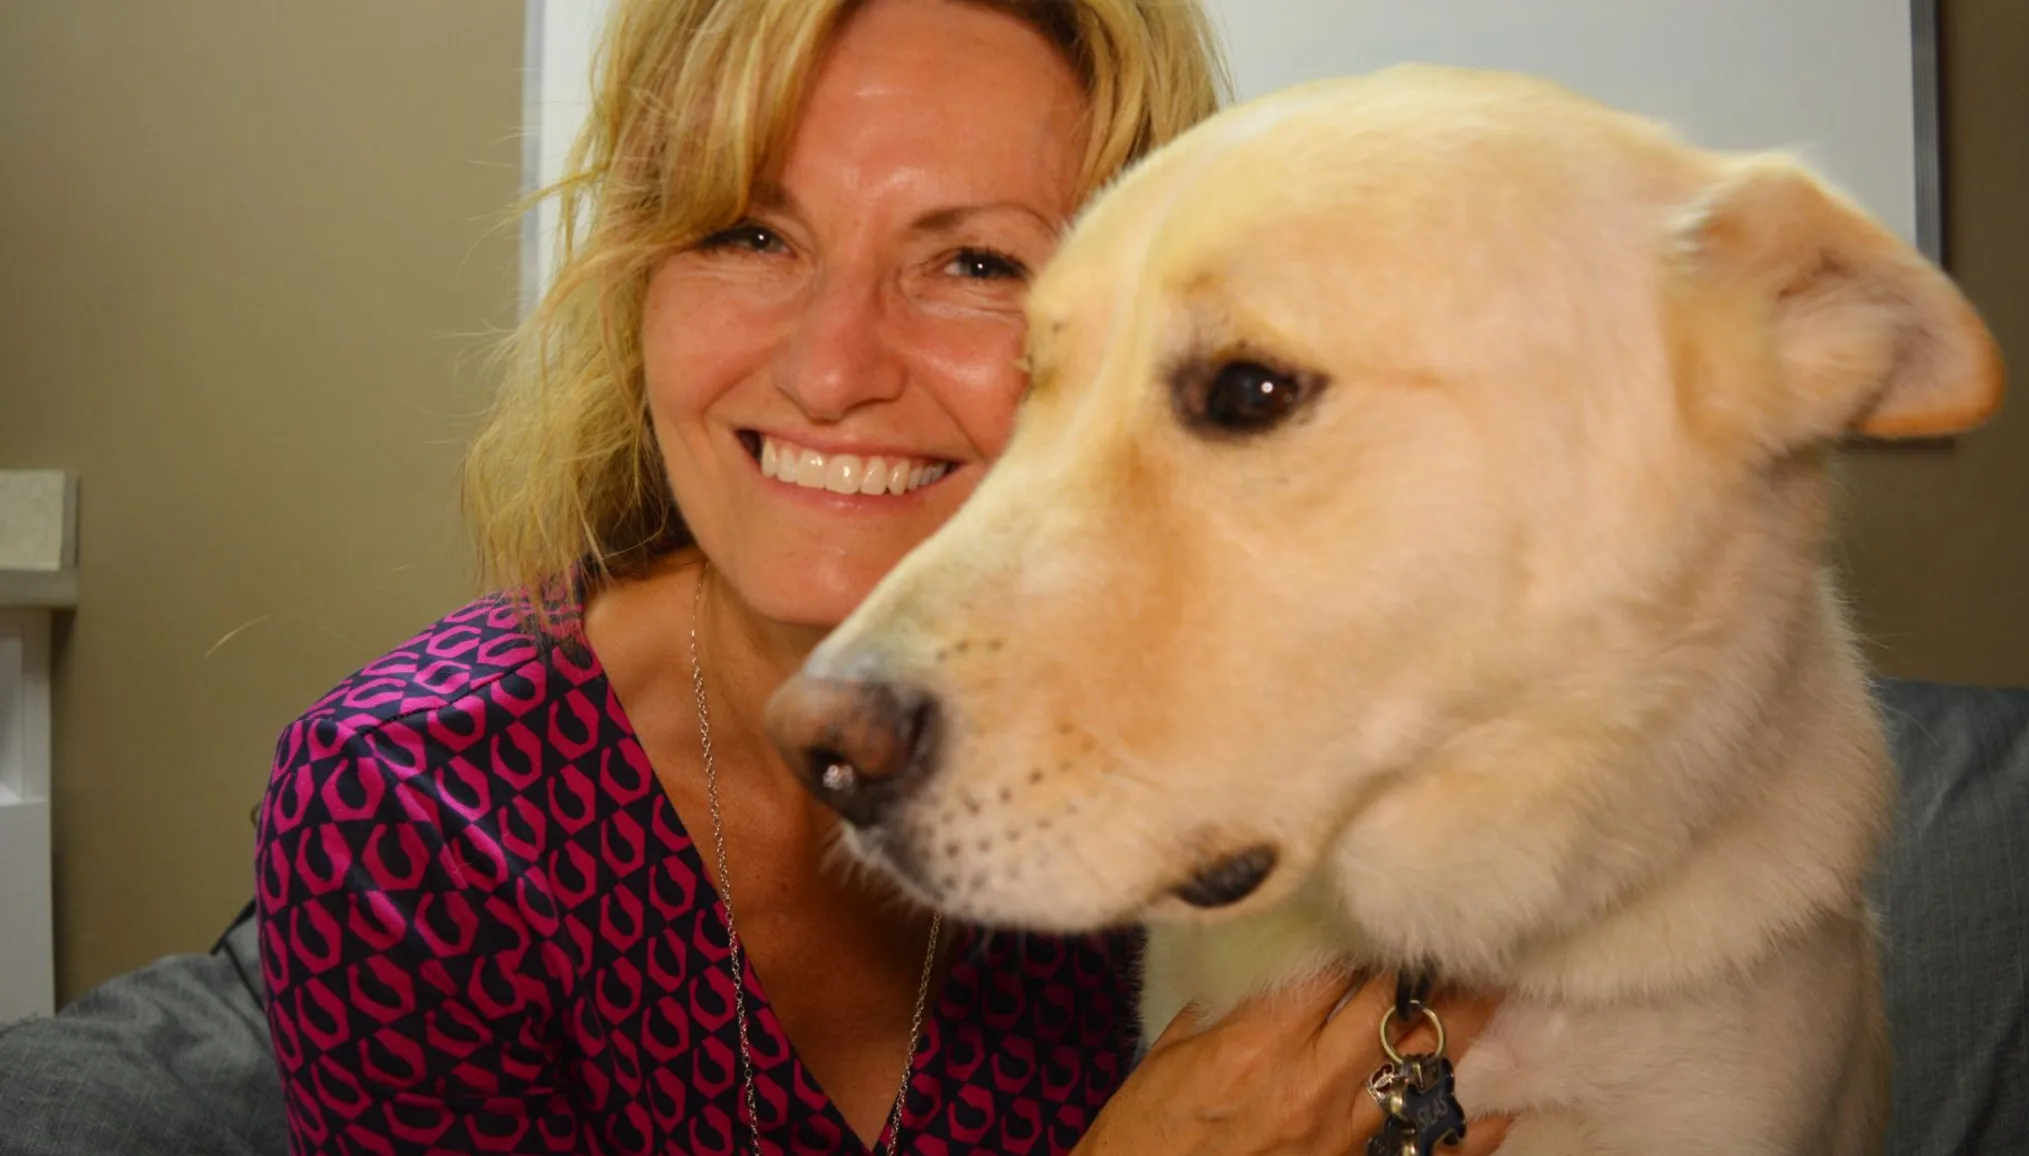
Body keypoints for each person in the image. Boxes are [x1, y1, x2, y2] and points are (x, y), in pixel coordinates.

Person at [252, 0, 1511, 1152]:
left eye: (974, 264)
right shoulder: (413, 815)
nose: (828, 366)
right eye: (750, 232)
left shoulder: (1253, 756)